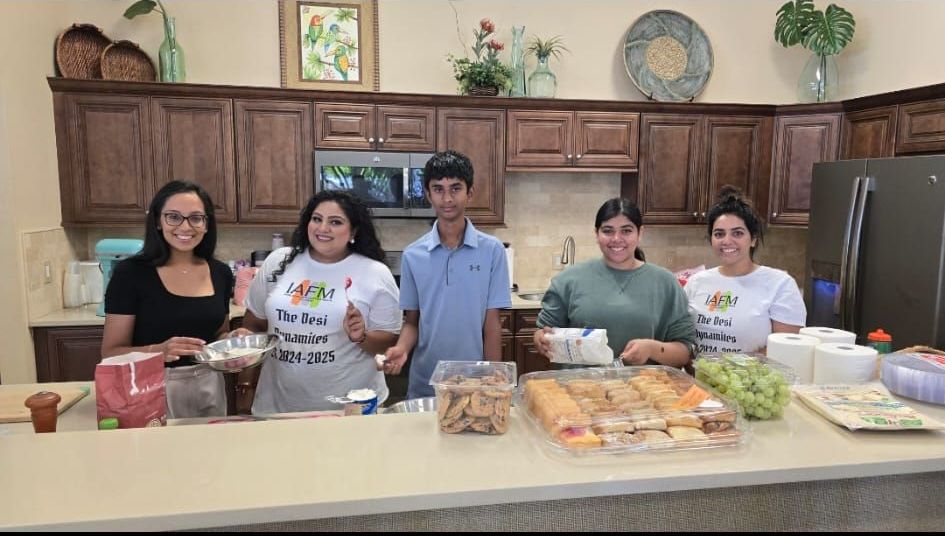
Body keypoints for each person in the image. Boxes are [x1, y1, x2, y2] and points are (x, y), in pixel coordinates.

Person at [238, 190, 401, 413]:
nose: (322, 228)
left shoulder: (374, 273)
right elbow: (254, 325)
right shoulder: (279, 261)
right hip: (277, 405)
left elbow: (388, 342)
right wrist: (245, 384)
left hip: (350, 408)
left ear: (353, 230)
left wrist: (360, 336)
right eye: (317, 219)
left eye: (335, 222)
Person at [384, 150, 512, 399]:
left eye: (455, 188)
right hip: (426, 382)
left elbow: (492, 323)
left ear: (470, 193)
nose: (447, 198)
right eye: (439, 189)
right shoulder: (413, 255)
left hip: (476, 382)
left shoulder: (492, 250)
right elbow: (412, 321)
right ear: (428, 194)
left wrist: (493, 379)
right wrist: (401, 348)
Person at [101, 180, 233, 418]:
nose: (186, 226)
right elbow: (110, 352)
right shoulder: (131, 274)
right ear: (158, 222)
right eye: (173, 217)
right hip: (150, 386)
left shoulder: (220, 273)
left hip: (209, 384)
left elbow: (216, 336)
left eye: (196, 218)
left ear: (206, 224)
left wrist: (231, 339)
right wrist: (157, 351)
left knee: (212, 453)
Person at [533, 198, 695, 367]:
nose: (616, 238)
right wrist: (541, 340)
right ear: (597, 234)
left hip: (644, 389)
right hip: (580, 388)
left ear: (640, 233)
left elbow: (684, 352)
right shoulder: (568, 281)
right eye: (608, 231)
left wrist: (652, 349)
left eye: (626, 231)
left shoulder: (665, 283)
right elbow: (542, 333)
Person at [685, 186, 806, 354]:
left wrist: (729, 370)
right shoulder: (696, 282)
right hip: (698, 379)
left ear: (753, 239)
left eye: (737, 233)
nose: (727, 241)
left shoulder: (780, 284)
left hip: (752, 380)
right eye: (719, 234)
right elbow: (684, 339)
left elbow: (786, 349)